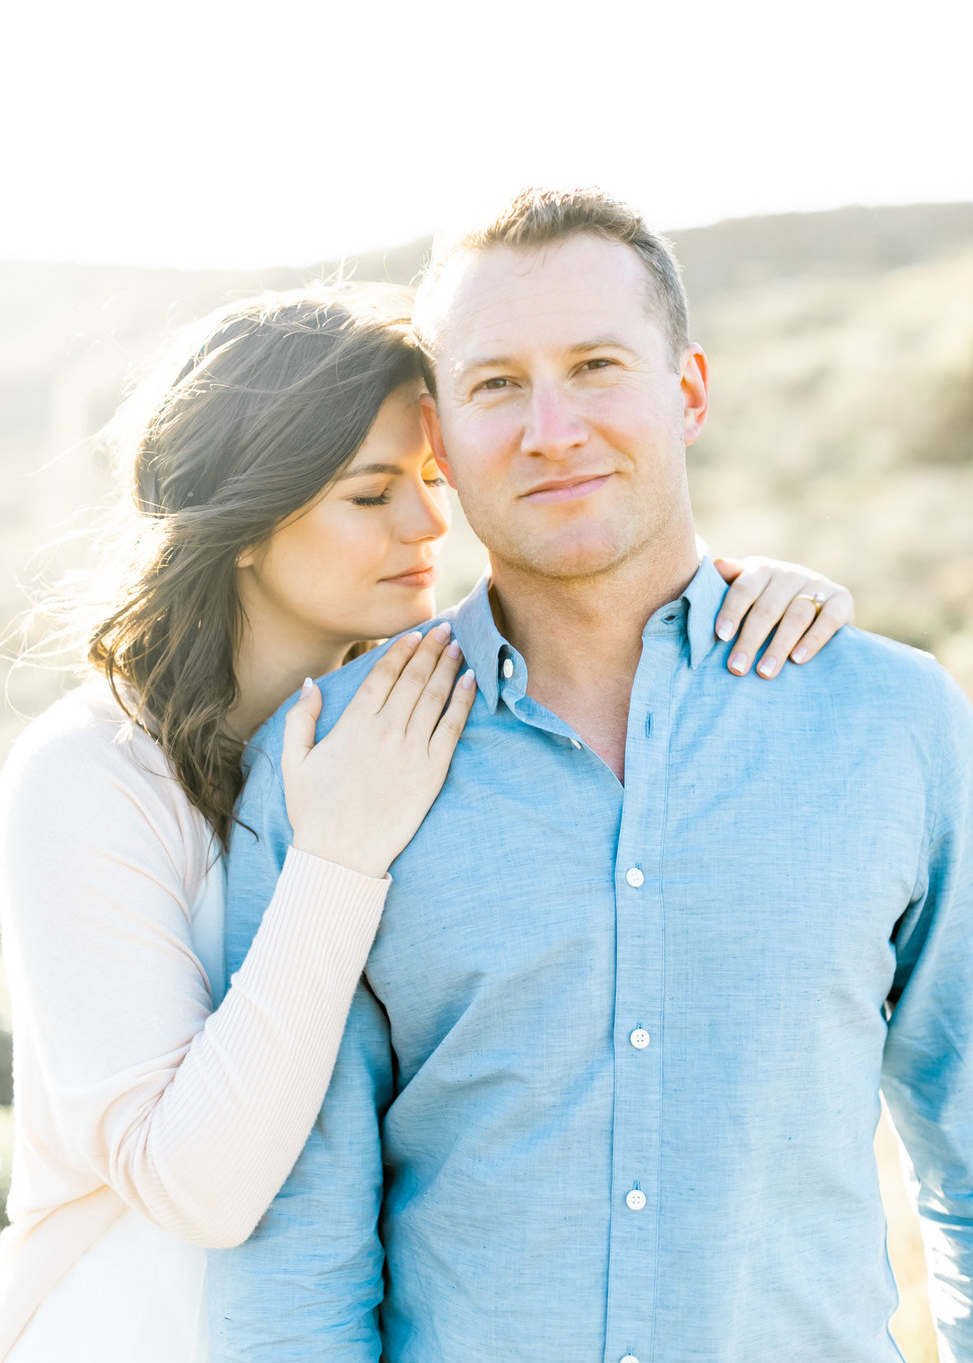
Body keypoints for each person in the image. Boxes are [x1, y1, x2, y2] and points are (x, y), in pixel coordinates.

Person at [213, 189, 973, 1363]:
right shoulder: (332, 756)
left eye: (594, 365)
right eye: (495, 384)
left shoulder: (893, 725)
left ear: (686, 390)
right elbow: (294, 1246)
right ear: (440, 434)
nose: (551, 427)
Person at [0, 279, 848, 1363]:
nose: (428, 523)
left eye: (427, 478)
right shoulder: (93, 777)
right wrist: (335, 859)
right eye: (370, 495)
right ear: (245, 521)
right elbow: (195, 1189)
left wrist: (751, 602)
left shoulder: (426, 711)